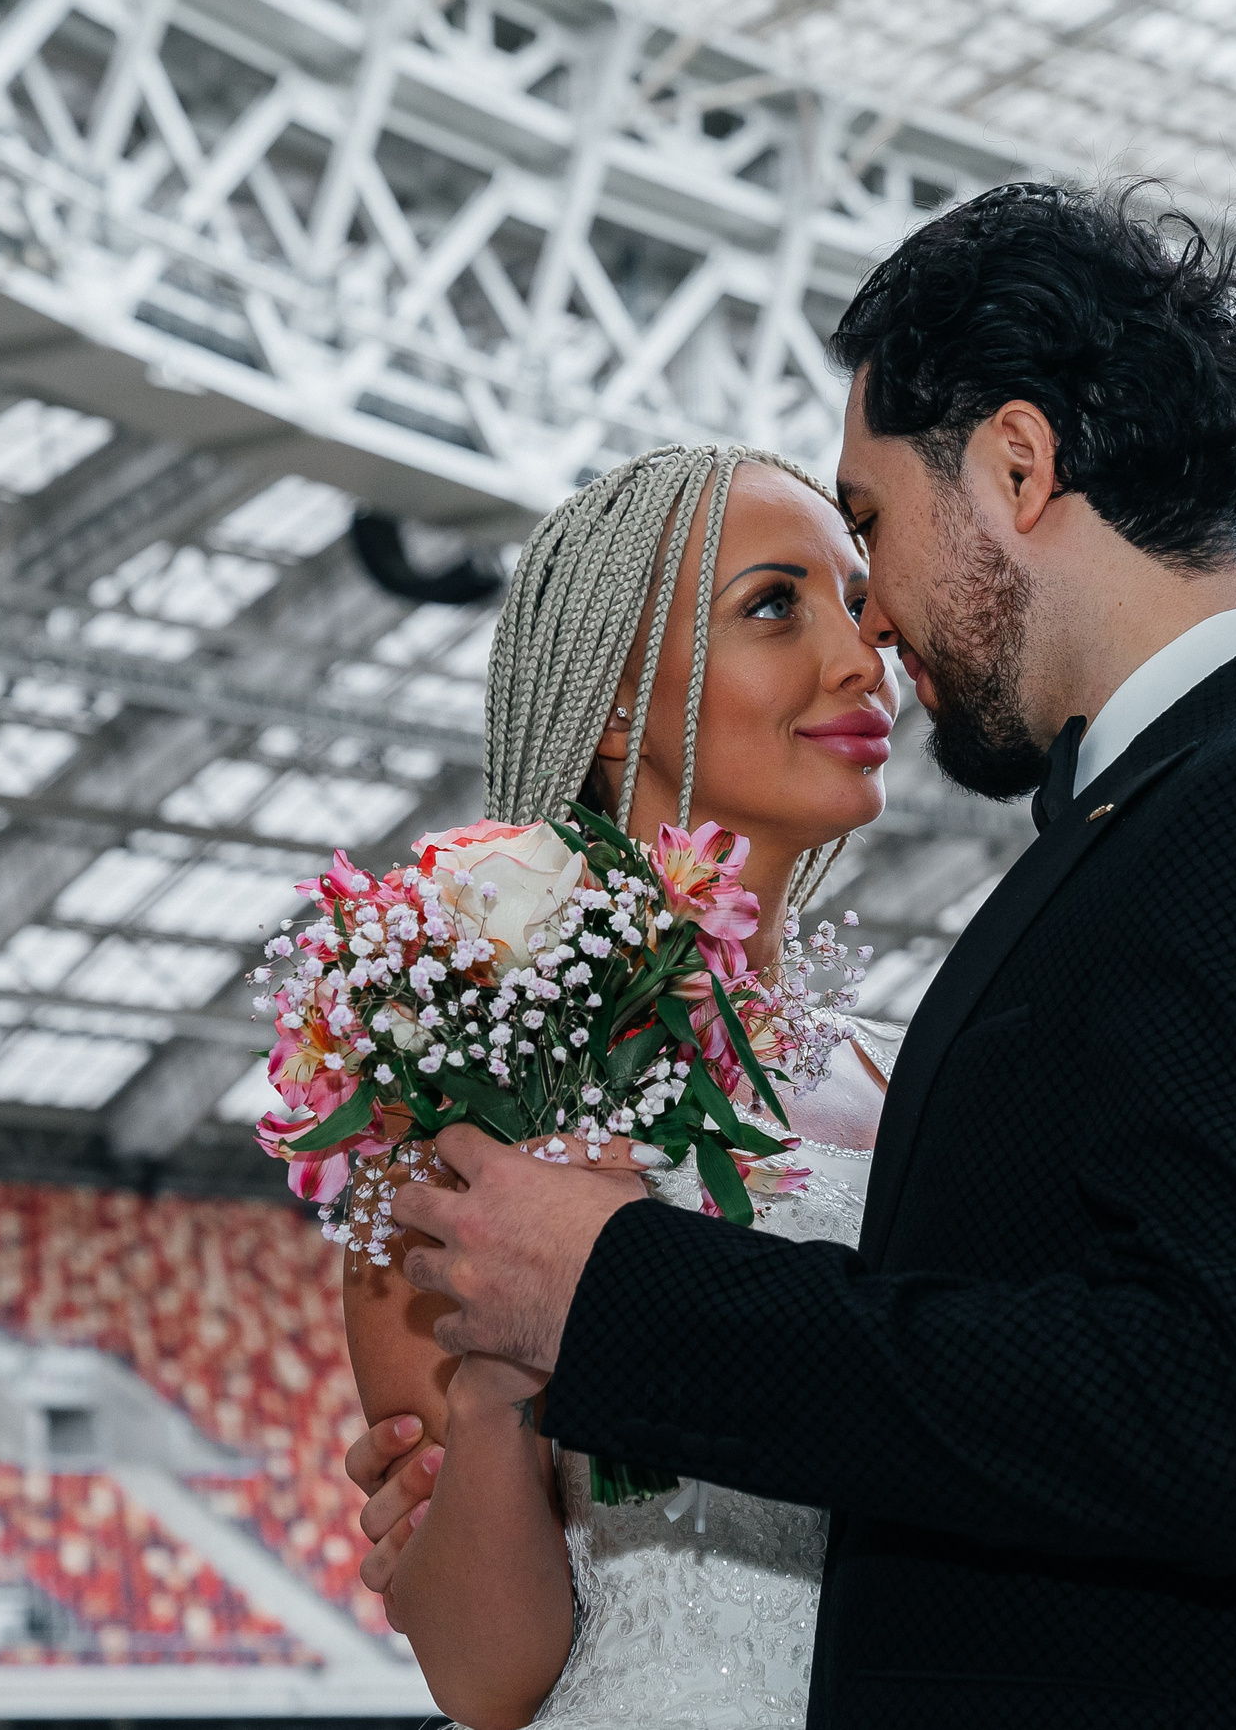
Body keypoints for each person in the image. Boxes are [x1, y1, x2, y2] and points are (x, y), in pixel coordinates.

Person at [351, 180, 1236, 1727]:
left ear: (1019, 466)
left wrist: (623, 1297)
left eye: (872, 536)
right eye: (785, 601)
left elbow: (1206, 1412)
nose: (874, 637)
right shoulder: (1144, 836)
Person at [340, 443, 902, 1727]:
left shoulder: (925, 1073)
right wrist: (494, 1390)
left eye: (858, 599)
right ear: (606, 702)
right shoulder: (468, 1095)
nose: (862, 655)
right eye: (775, 604)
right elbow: (488, 1677)